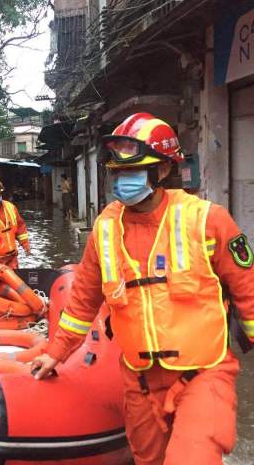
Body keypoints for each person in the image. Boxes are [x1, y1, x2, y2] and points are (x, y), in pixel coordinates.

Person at [31, 113, 254, 464]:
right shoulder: (105, 228)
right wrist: (56, 352)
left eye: (132, 172)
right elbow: (83, 303)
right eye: (117, 173)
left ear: (162, 171)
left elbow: (248, 289)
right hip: (139, 381)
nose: (122, 181)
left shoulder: (207, 220)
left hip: (204, 373)